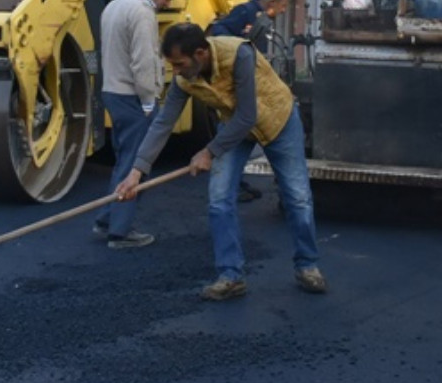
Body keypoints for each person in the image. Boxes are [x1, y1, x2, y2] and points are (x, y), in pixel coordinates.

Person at [115, 23, 326, 301]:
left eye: (179, 63)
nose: (175, 71)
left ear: (200, 53)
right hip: (235, 130)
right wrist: (136, 172)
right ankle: (231, 276)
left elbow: (248, 115)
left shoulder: (239, 55)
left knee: (297, 197)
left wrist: (208, 152)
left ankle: (307, 265)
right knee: (219, 198)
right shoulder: (183, 80)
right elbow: (162, 124)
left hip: (278, 120)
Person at [94, 0, 187, 249]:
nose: (167, 3)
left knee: (124, 160)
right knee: (137, 164)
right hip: (133, 97)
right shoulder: (143, 14)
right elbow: (144, 65)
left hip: (112, 91)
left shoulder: (114, 5)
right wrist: (149, 103)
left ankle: (106, 219)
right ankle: (120, 232)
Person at [209, 0, 293, 203]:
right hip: (237, 84)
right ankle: (229, 186)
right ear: (273, 2)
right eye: (283, 5)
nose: (284, 11)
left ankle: (235, 182)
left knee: (243, 136)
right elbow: (218, 30)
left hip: (251, 82)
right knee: (233, 133)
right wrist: (241, 39)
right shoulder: (245, 11)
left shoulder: (263, 19)